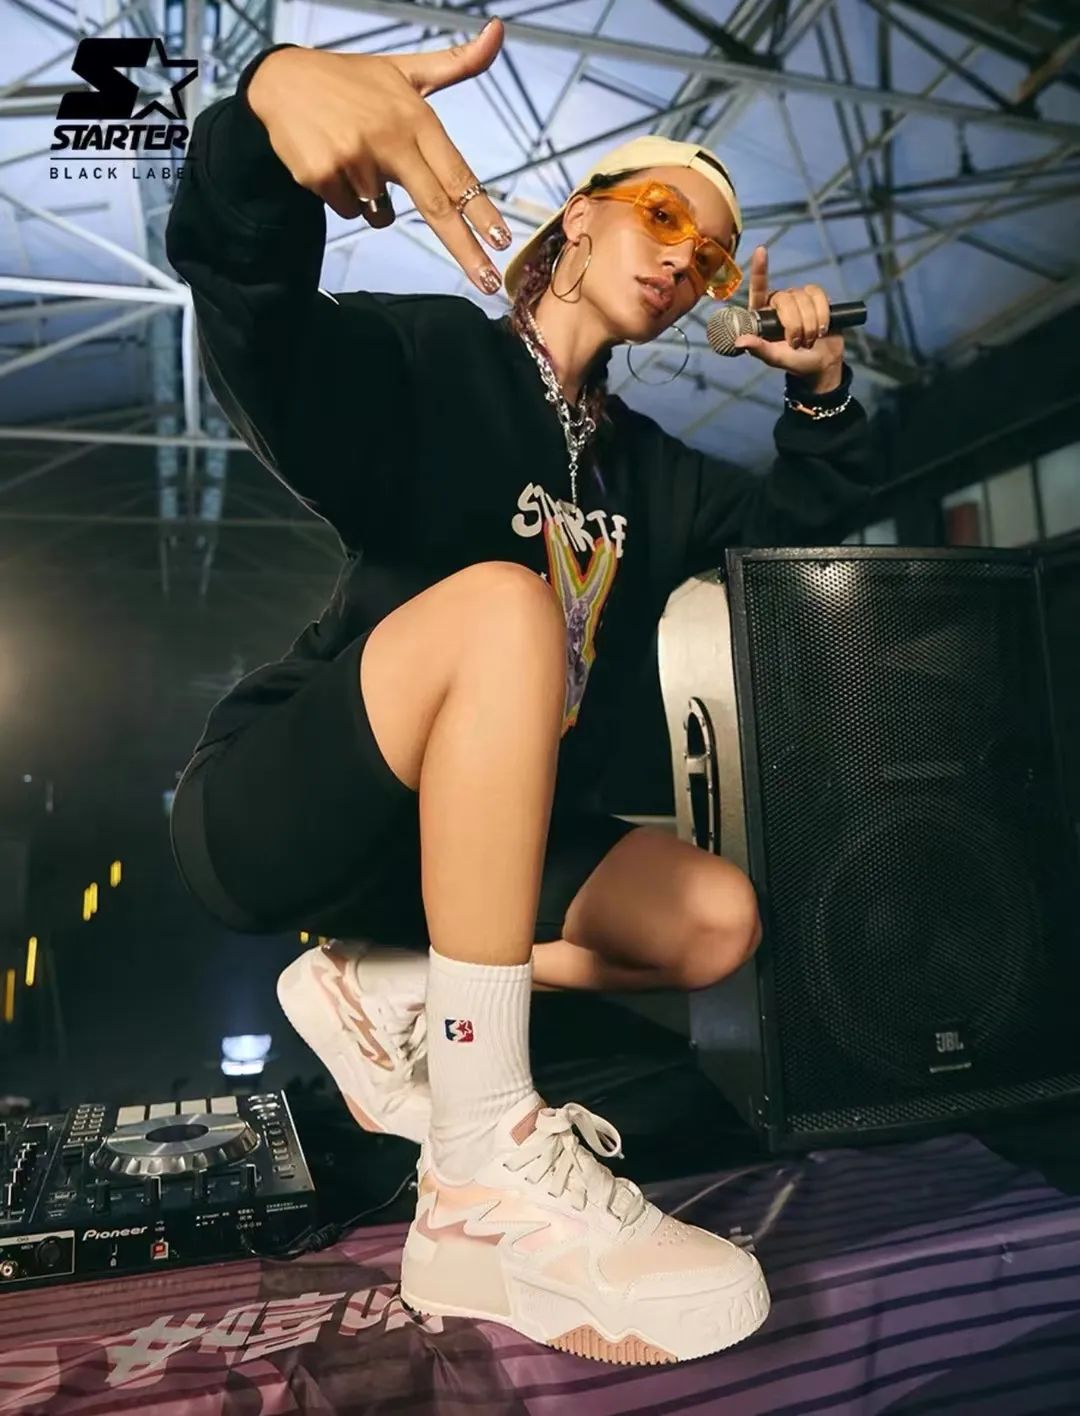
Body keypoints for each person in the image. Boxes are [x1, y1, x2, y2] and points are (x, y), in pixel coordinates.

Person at [165, 20, 878, 1365]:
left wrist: (824, 396)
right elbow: (264, 333)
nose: (683, 257)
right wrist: (260, 125)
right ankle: (479, 1169)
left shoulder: (650, 470)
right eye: (663, 215)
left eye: (709, 254)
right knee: (508, 604)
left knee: (719, 921)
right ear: (580, 218)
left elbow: (799, 542)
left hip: (485, 855)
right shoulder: (440, 356)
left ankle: (388, 987)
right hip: (299, 801)